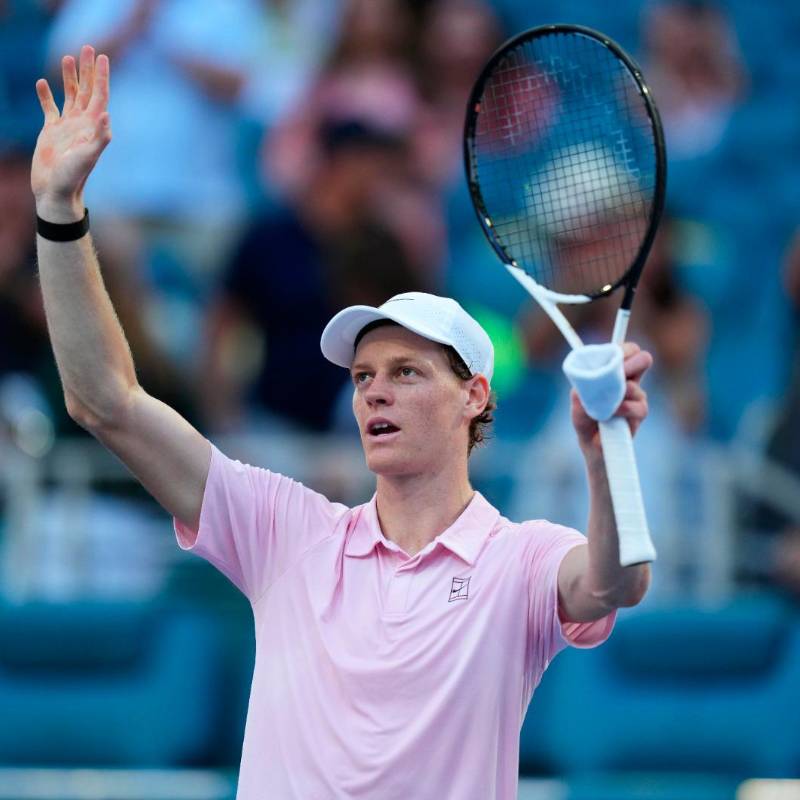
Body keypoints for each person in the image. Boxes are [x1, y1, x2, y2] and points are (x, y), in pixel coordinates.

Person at [32, 48, 653, 800]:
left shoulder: (517, 560)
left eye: (406, 374)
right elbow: (105, 400)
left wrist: (603, 452)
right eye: (363, 378)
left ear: (474, 398)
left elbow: (615, 581)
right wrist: (60, 214)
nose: (373, 396)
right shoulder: (286, 532)